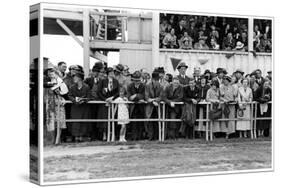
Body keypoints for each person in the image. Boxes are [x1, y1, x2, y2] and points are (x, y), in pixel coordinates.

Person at [43, 66, 67, 145]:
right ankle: (51, 140)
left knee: (59, 121)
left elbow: (64, 92)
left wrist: (63, 98)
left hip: (59, 102)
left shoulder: (61, 82)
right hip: (50, 103)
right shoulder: (46, 82)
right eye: (49, 72)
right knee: (50, 120)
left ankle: (57, 139)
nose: (51, 74)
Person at [68, 70, 91, 142]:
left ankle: (82, 136)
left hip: (84, 107)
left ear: (80, 78)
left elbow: (89, 97)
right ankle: (76, 136)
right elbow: (69, 95)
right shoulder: (72, 87)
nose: (74, 79)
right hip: (75, 107)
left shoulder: (86, 87)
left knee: (83, 121)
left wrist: (83, 100)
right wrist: (75, 100)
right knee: (75, 122)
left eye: (76, 77)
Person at [97, 67, 120, 141]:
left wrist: (112, 98)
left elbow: (118, 92)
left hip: (113, 102)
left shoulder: (116, 81)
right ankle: (104, 134)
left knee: (113, 118)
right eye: (110, 73)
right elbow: (99, 92)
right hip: (104, 103)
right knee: (104, 119)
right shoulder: (103, 81)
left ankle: (112, 134)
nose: (111, 74)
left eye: (112, 73)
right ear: (107, 74)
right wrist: (105, 99)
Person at [127, 71, 146, 140]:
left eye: (138, 80)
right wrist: (138, 98)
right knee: (133, 123)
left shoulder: (143, 85)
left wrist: (135, 95)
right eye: (135, 80)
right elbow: (129, 97)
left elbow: (144, 96)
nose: (137, 82)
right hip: (133, 107)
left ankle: (140, 137)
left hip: (141, 107)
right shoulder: (130, 85)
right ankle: (134, 137)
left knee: (140, 122)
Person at [144, 71, 163, 140]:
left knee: (157, 122)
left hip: (157, 106)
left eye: (157, 80)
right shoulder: (147, 85)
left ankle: (157, 137)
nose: (156, 81)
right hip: (150, 106)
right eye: (155, 80)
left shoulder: (160, 86)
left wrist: (154, 100)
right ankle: (150, 137)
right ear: (152, 79)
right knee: (149, 122)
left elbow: (161, 96)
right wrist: (153, 102)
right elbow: (146, 97)